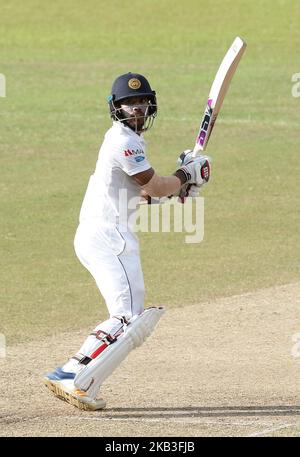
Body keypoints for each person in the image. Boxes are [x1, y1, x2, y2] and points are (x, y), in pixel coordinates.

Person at [44, 72, 211, 410]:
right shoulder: (124, 142)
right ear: (115, 107)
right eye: (128, 103)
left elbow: (144, 194)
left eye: (141, 101)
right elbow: (157, 185)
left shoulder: (126, 141)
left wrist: (181, 188)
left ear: (150, 104)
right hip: (109, 236)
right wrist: (185, 176)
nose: (136, 108)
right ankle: (70, 372)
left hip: (99, 234)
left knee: (130, 316)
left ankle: (83, 381)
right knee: (127, 317)